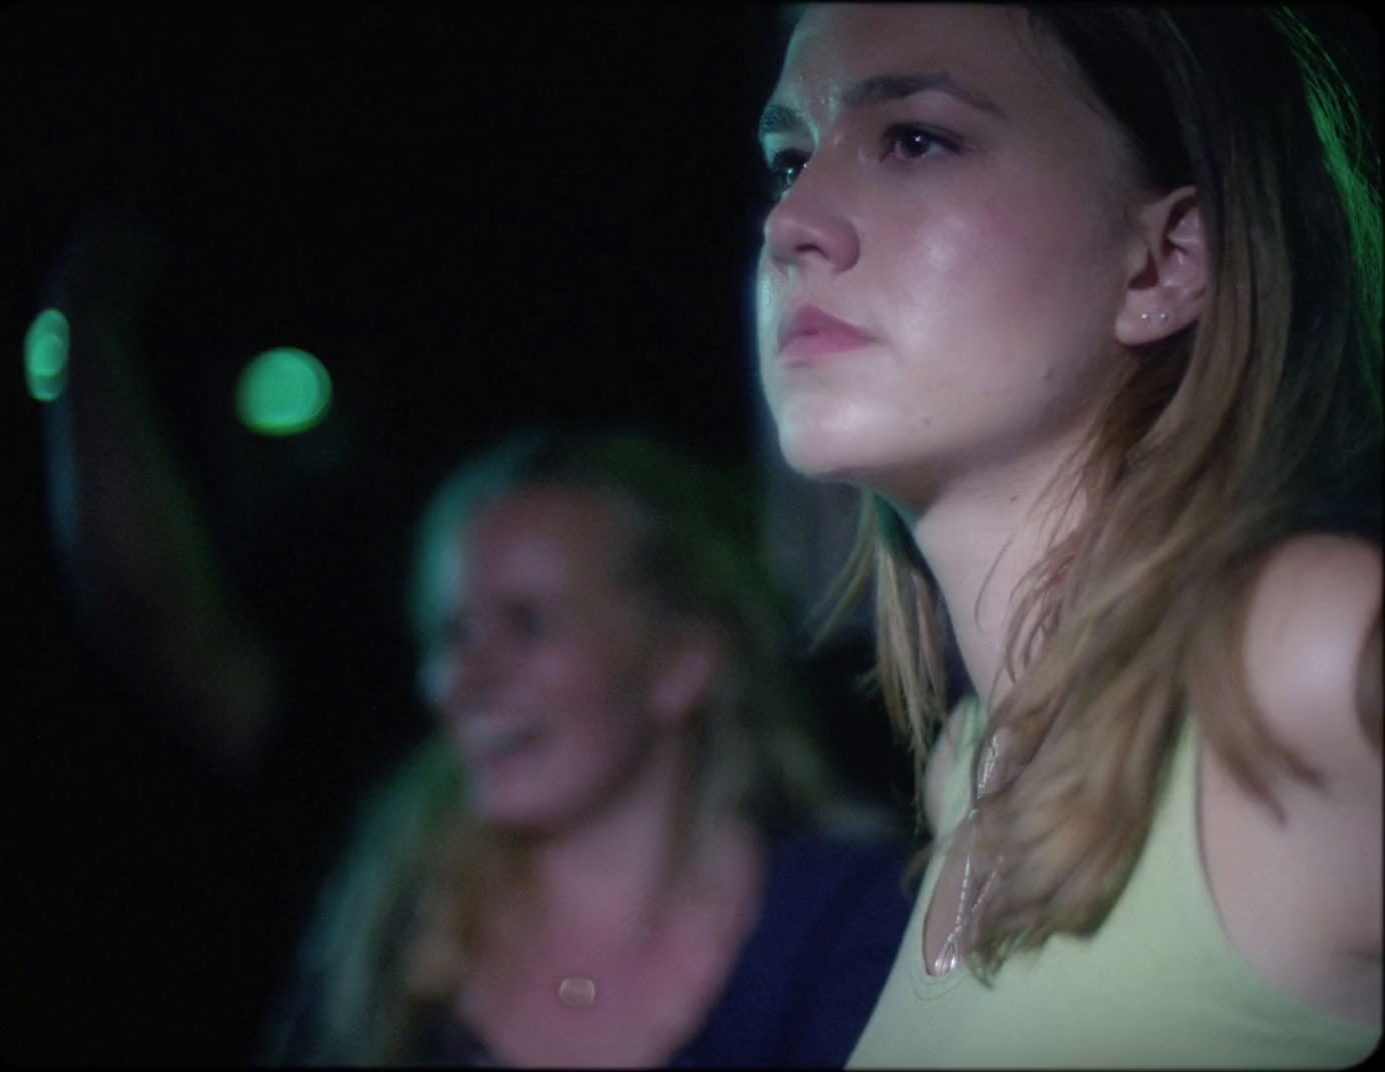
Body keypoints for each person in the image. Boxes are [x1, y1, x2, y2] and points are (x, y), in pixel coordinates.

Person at [753, 3, 1381, 1067]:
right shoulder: (971, 764)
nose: (791, 220)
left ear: (1162, 260)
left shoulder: (1294, 655)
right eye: (788, 160)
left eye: (915, 138)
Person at [262, 427, 915, 1066]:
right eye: (454, 632)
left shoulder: (840, 926)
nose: (469, 679)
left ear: (682, 662)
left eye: (528, 624)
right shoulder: (386, 939)